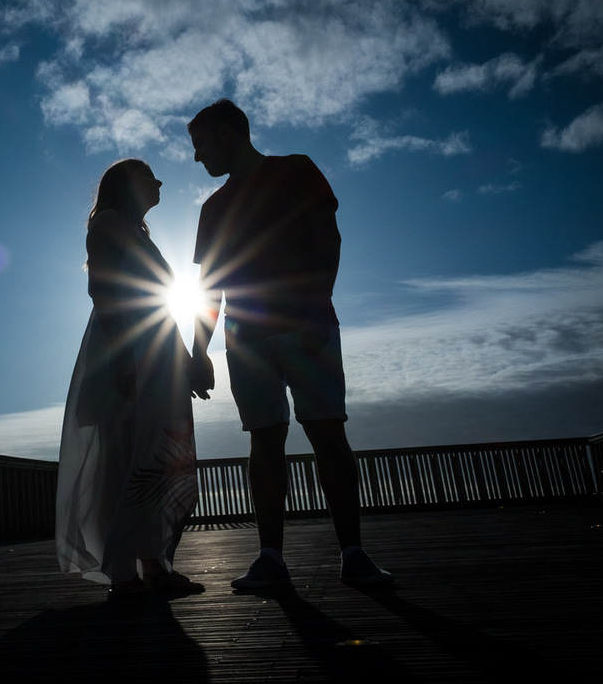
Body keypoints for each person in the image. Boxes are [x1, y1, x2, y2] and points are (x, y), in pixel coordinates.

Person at [186, 99, 392, 589]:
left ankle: (353, 553)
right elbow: (211, 286)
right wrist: (198, 350)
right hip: (247, 341)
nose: (197, 158)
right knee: (265, 441)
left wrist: (318, 306)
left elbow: (329, 240)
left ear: (227, 133)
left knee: (327, 434)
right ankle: (271, 560)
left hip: (307, 326)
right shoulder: (212, 208)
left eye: (200, 144)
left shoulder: (297, 170)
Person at [56, 159, 204, 596]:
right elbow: (102, 288)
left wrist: (182, 359)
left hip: (153, 346)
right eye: (146, 174)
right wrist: (123, 358)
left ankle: (154, 565)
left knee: (152, 452)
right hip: (125, 346)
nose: (158, 181)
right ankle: (124, 573)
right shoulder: (108, 223)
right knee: (123, 455)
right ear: (123, 184)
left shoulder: (135, 231)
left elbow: (160, 302)